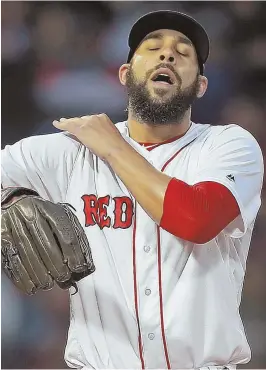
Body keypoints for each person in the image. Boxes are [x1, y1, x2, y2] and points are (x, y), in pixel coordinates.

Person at [1, 10, 264, 370]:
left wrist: (113, 146)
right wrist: (10, 198)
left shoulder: (228, 145)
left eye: (183, 53)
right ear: (125, 75)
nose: (167, 55)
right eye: (153, 48)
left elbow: (198, 220)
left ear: (200, 85)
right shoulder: (74, 151)